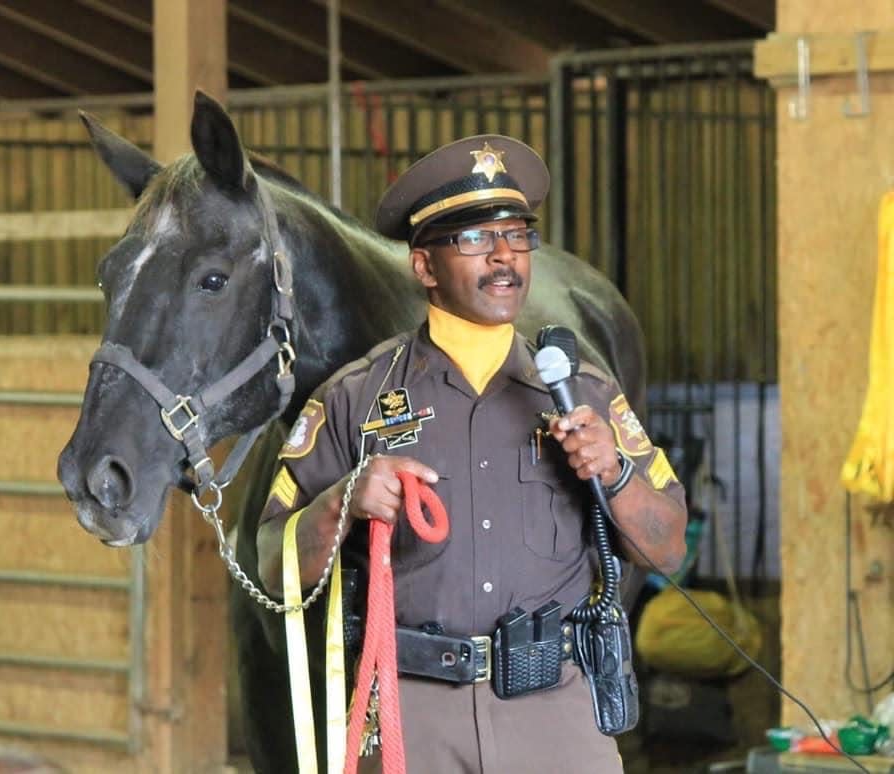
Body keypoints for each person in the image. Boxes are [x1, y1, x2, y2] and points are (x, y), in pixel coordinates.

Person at [256, 134, 688, 773]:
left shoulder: (582, 390)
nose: (504, 258)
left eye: (516, 236)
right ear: (424, 267)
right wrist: (343, 502)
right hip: (412, 716)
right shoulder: (353, 399)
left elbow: (670, 548)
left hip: (556, 715)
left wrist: (616, 472)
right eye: (475, 241)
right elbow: (272, 565)